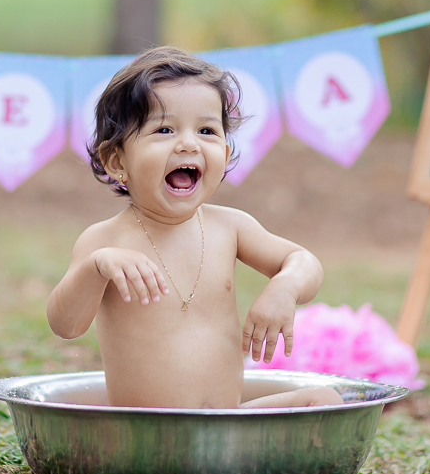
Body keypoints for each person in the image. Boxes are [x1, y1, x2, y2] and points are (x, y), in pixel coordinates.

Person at [47, 47, 343, 409]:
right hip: (150, 431)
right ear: (117, 160)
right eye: (164, 129)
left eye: (206, 130)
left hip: (227, 425)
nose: (189, 143)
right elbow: (66, 325)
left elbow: (302, 259)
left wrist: (285, 287)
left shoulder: (230, 227)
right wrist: (96, 267)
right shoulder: (104, 242)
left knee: (324, 399)